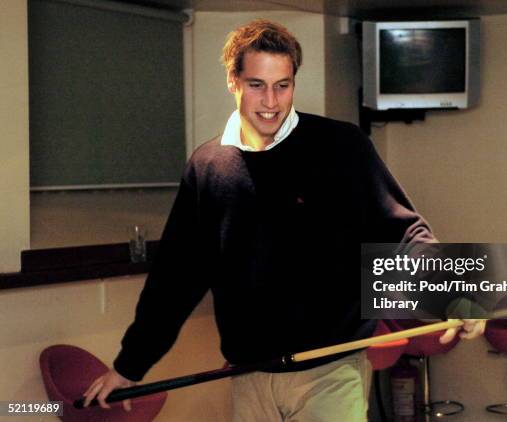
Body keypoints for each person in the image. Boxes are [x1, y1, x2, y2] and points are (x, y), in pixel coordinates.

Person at [82, 19, 485, 421]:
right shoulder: (207, 167)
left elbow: (404, 232)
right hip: (248, 375)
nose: (271, 102)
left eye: (283, 85)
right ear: (233, 81)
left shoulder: (341, 146)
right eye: (257, 84)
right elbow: (176, 276)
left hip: (331, 372)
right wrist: (128, 366)